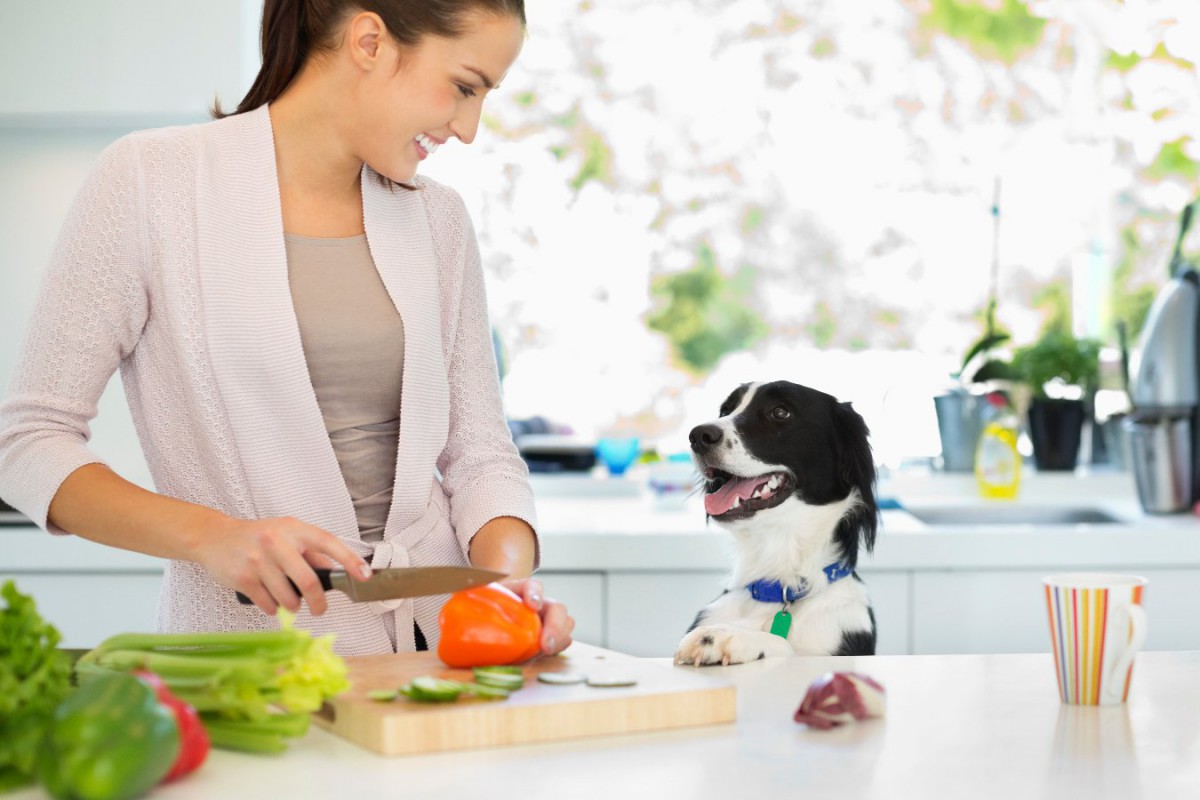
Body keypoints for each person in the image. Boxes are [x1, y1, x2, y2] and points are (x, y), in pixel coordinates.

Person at [0, 0, 574, 657]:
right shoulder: (151, 184)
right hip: (251, 663)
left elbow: (479, 453)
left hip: (440, 652)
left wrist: (505, 586)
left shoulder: (438, 221)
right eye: (465, 87)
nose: (469, 128)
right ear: (368, 42)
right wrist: (213, 536)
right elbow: (26, 444)